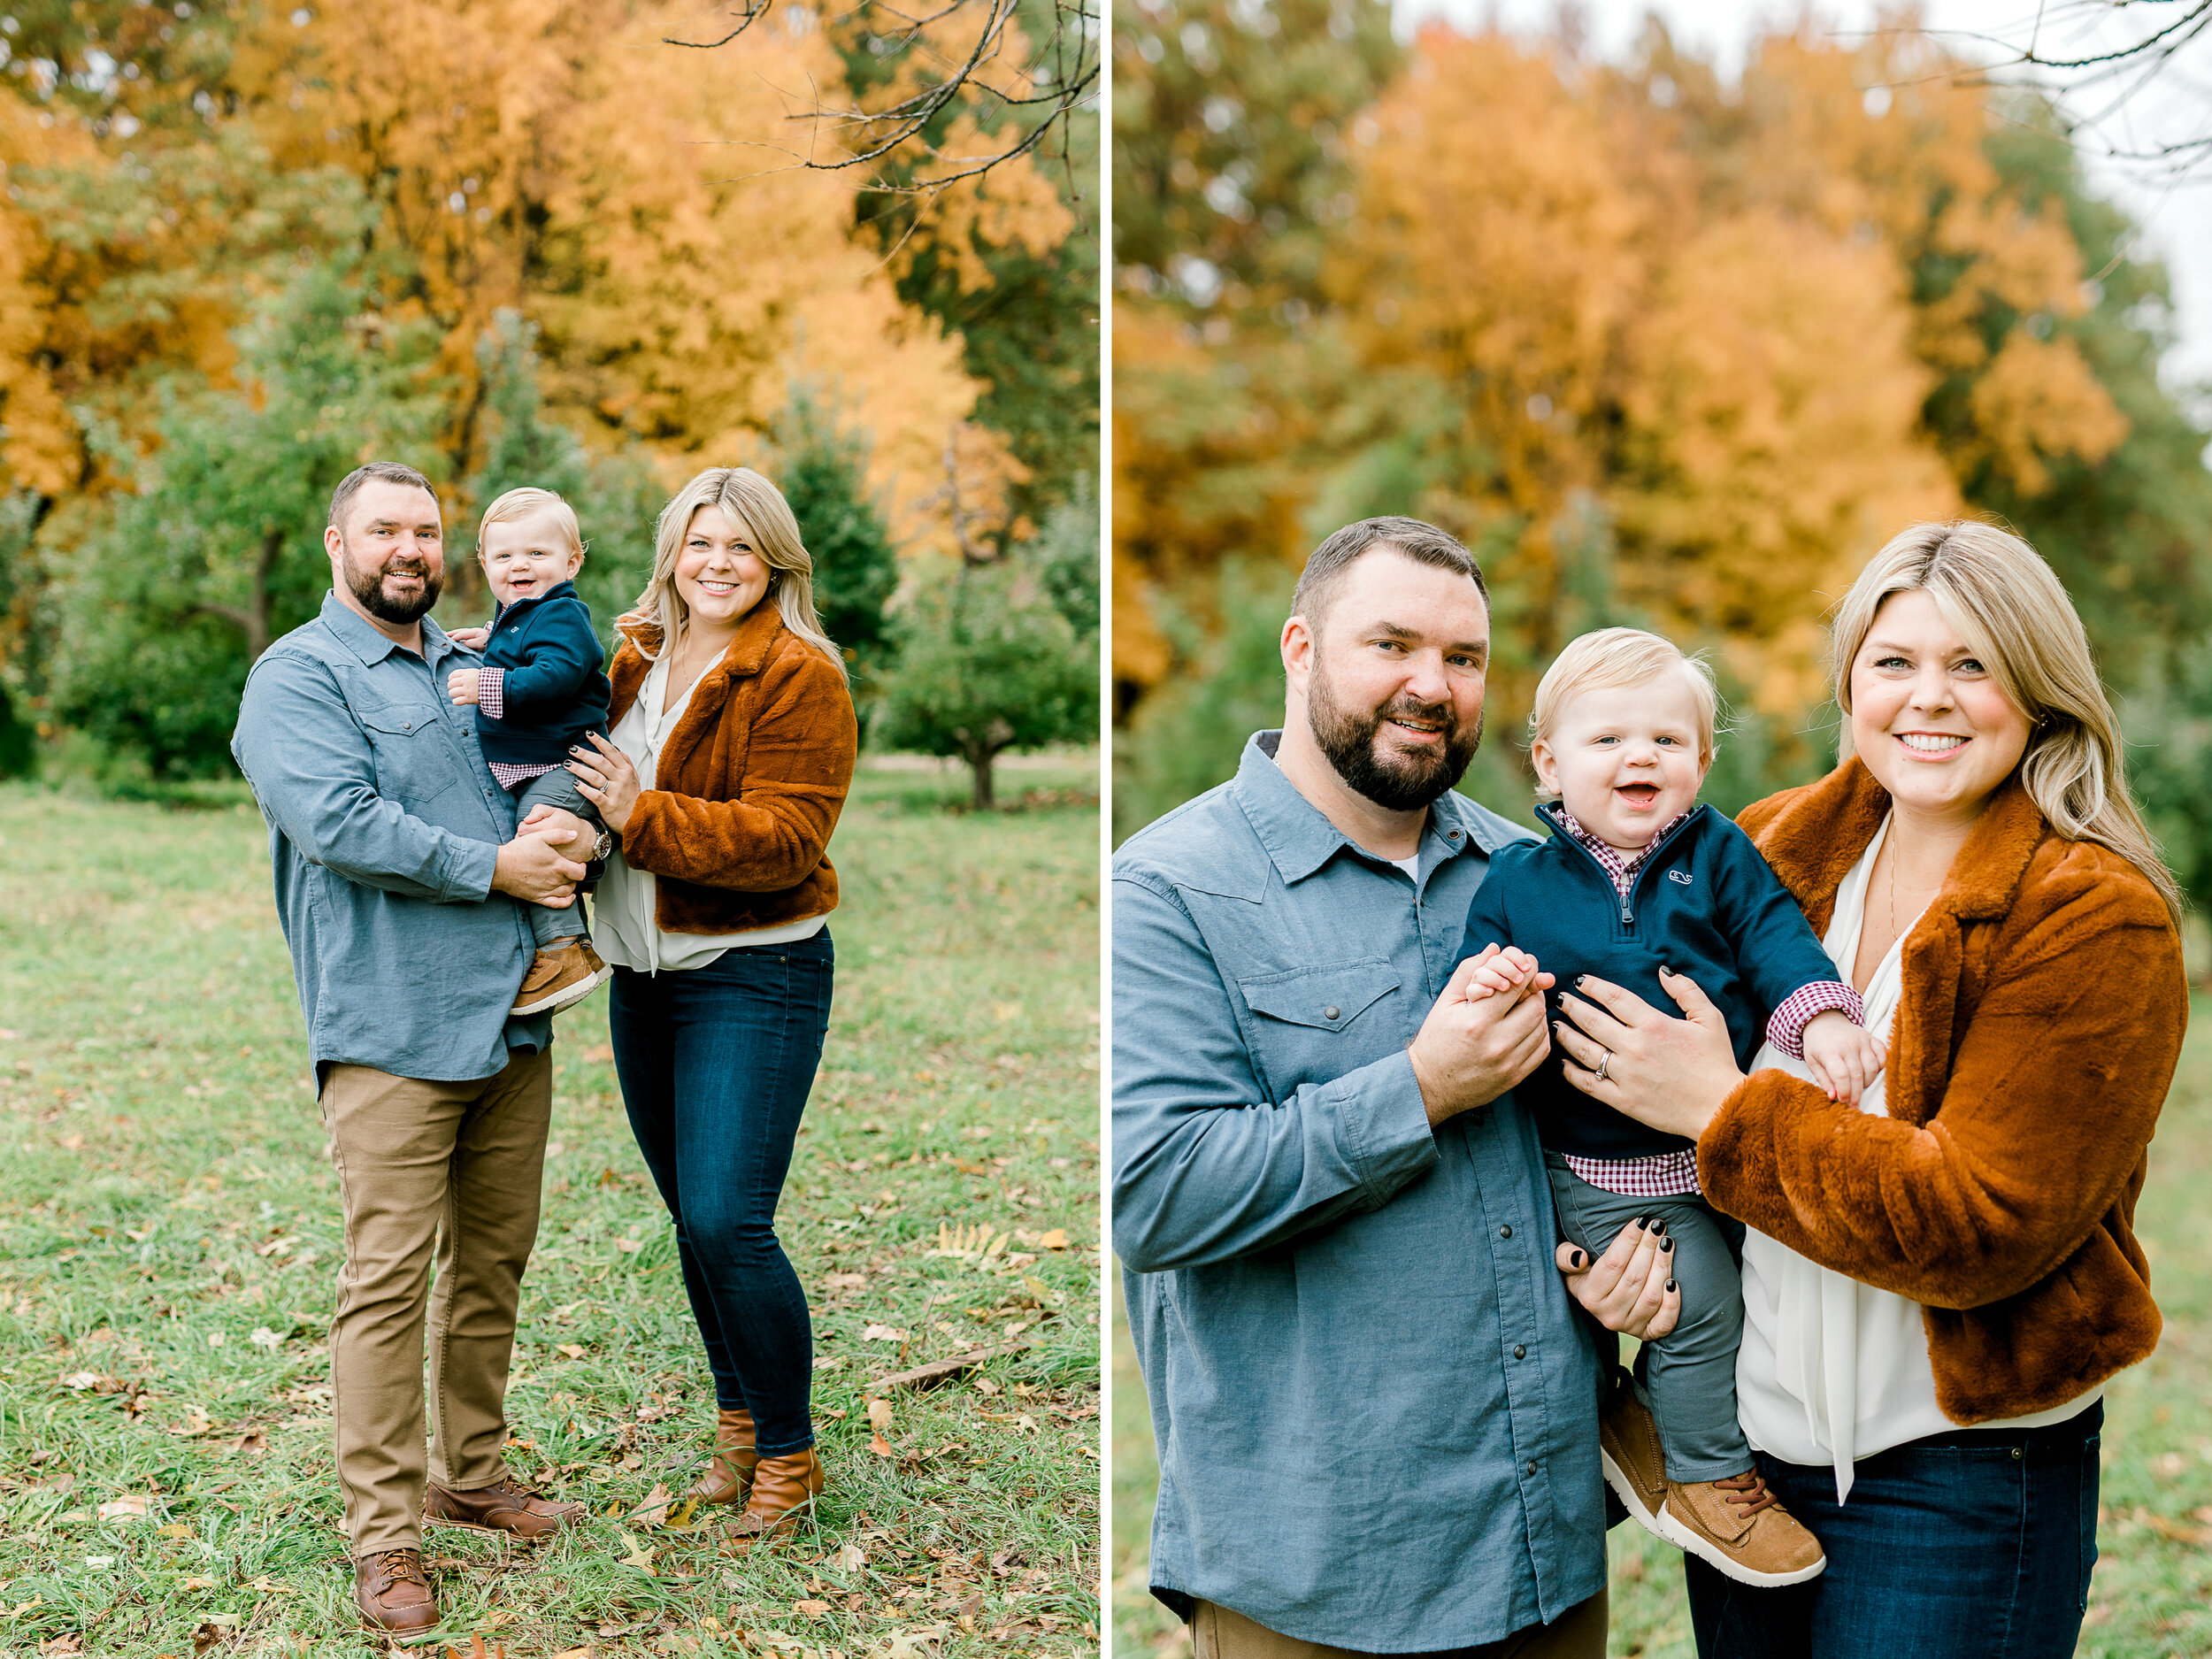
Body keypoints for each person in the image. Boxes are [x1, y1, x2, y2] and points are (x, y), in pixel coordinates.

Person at [1547, 521, 2186, 1656]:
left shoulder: (2092, 913)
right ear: (1849, 681)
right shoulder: (1766, 847)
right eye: (1893, 663)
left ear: (2036, 689)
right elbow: (1645, 1113)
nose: (1926, 700)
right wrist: (1633, 1262)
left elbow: (1983, 1221)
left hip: (1961, 1467)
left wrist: (1721, 1110)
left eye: (1971, 664)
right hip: (1750, 1458)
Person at [1113, 517, 1680, 1658]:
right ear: (1301, 648)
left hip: (1541, 1546)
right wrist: (1419, 1090)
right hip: (1323, 1568)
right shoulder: (1169, 890)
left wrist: (1633, 1256)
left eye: (1463, 659)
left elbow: (1593, 1143)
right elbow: (1153, 1195)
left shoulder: (1538, 876)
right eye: (1391, 645)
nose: (1431, 685)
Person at [231, 462, 594, 1634]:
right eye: (384, 527)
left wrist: (560, 823)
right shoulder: (301, 674)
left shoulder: (474, 663)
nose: (408, 546)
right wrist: (496, 866)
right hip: (389, 1024)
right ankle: (385, 1537)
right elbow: (337, 821)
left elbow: (543, 768)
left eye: (427, 529)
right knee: (388, 1284)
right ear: (337, 540)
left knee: (493, 1263)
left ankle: (473, 1471)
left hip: (514, 1012)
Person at [1457, 628, 1883, 1586]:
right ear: (1550, 762)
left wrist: (1818, 1020)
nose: (1638, 757)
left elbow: (1775, 938)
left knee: (1758, 1305)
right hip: (1592, 1167)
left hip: (1716, 1152)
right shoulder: (1518, 879)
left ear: (1701, 762)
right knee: (1700, 1305)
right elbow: (1475, 967)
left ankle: (1644, 1420)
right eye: (1606, 740)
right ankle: (1703, 1476)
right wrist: (1490, 981)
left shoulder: (1716, 853)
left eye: (1664, 740)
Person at [559, 466, 857, 1545]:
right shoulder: (638, 654)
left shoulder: (796, 674)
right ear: (672, 554)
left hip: (753, 974)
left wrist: (644, 814)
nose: (717, 564)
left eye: (739, 546)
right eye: (699, 544)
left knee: (732, 1219)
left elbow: (787, 840)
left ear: (774, 559)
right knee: (693, 1222)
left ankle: (790, 1454)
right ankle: (738, 1434)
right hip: (642, 979)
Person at [445, 486, 616, 1016]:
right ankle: (564, 945)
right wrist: (489, 639)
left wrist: (489, 682)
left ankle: (564, 949)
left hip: (565, 761)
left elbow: (556, 675)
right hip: (544, 761)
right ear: (484, 563)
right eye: (504, 555)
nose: (520, 565)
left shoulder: (562, 615)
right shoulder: (522, 616)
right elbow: (525, 645)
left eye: (537, 553)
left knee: (538, 834)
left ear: (573, 560)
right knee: (539, 832)